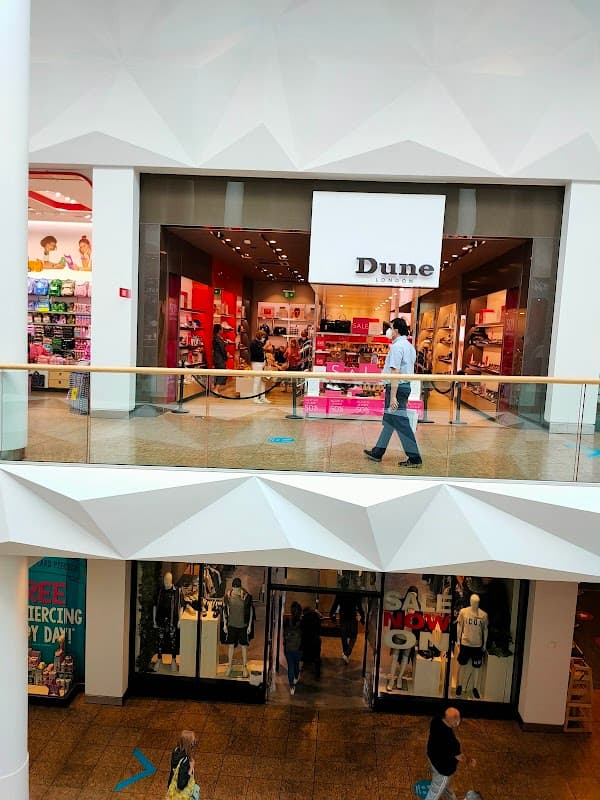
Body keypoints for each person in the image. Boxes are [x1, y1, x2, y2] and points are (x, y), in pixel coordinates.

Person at [364, 317, 423, 468]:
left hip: (397, 388)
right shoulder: (409, 346)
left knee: (401, 422)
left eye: (390, 328)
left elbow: (395, 372)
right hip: (404, 386)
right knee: (390, 421)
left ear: (396, 330)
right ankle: (378, 452)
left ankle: (414, 457)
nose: (388, 331)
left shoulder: (397, 347)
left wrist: (393, 397)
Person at [424, 707, 463, 800]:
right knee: (433, 794)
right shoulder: (452, 741)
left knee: (446, 786)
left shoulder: (435, 721)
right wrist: (470, 760)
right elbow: (459, 757)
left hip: (432, 758)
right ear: (454, 723)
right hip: (443, 771)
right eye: (458, 720)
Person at [329, 591, 365, 664]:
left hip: (343, 617)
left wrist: (332, 615)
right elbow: (359, 607)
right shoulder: (355, 594)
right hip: (352, 617)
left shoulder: (340, 593)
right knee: (353, 636)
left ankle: (346, 654)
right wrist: (362, 617)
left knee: (344, 636)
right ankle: (347, 653)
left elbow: (335, 605)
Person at [167, 729, 198, 799]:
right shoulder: (185, 761)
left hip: (172, 789)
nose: (195, 742)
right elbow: (181, 784)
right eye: (193, 741)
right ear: (189, 744)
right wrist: (190, 769)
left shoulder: (176, 751)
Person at [283, 601, 303, 695]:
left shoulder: (287, 621)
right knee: (296, 664)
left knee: (290, 666)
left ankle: (292, 686)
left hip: (288, 647)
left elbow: (284, 633)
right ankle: (296, 677)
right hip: (298, 648)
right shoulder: (301, 623)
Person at [300, 606, 321, 678]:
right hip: (315, 640)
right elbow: (319, 630)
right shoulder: (317, 619)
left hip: (306, 640)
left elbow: (301, 630)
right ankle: (318, 673)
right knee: (317, 657)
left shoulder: (304, 619)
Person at [249, 330, 269, 404]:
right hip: (256, 363)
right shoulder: (253, 343)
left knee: (262, 381)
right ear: (260, 336)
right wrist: (265, 347)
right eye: (263, 337)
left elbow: (263, 354)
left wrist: (265, 361)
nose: (264, 338)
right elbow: (257, 353)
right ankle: (255, 398)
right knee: (257, 381)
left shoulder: (260, 343)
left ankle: (262, 397)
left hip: (261, 363)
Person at [212, 323, 228, 394]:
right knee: (222, 373)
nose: (223, 330)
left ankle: (215, 388)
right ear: (219, 330)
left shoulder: (216, 338)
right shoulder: (218, 339)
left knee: (218, 373)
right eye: (221, 329)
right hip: (219, 358)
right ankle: (216, 389)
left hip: (216, 357)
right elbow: (222, 350)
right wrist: (226, 356)